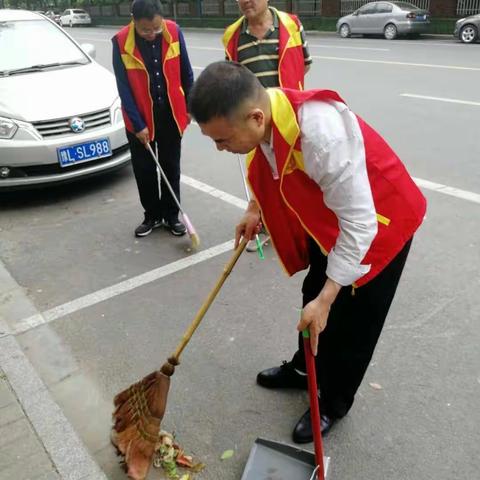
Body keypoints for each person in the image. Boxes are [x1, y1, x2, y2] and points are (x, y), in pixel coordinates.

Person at [188, 62, 426, 443]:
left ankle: (332, 402)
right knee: (309, 298)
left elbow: (361, 225)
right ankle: (304, 370)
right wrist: (255, 209)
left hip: (380, 223)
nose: (220, 149)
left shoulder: (321, 136)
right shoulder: (269, 117)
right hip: (332, 221)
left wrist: (329, 297)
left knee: (351, 322)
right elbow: (265, 160)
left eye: (223, 139)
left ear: (255, 117)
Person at [223, 0, 312, 251]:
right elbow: (233, 79)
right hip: (255, 123)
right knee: (262, 175)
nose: (246, 1)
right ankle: (269, 224)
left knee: (297, 173)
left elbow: (304, 63)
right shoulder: (233, 36)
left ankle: (303, 225)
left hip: (290, 116)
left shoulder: (291, 25)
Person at [112, 0, 194, 237]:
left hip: (170, 115)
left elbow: (186, 73)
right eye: (145, 30)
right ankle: (152, 216)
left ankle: (171, 215)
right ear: (134, 21)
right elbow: (123, 87)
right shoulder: (120, 41)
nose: (152, 34)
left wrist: (190, 106)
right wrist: (138, 125)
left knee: (170, 167)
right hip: (139, 116)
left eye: (156, 28)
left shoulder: (174, 32)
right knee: (145, 169)